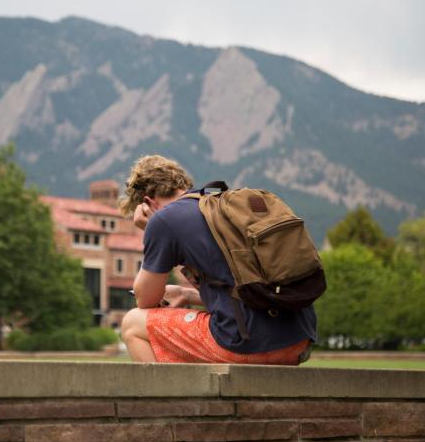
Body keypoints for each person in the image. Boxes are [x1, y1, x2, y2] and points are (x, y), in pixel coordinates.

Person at [119, 155, 317, 364]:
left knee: (132, 323)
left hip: (248, 344)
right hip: (299, 340)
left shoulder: (163, 220)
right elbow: (246, 290)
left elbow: (145, 299)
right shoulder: (222, 206)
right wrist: (186, 294)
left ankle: (167, 397)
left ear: (147, 203)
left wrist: (149, 227)